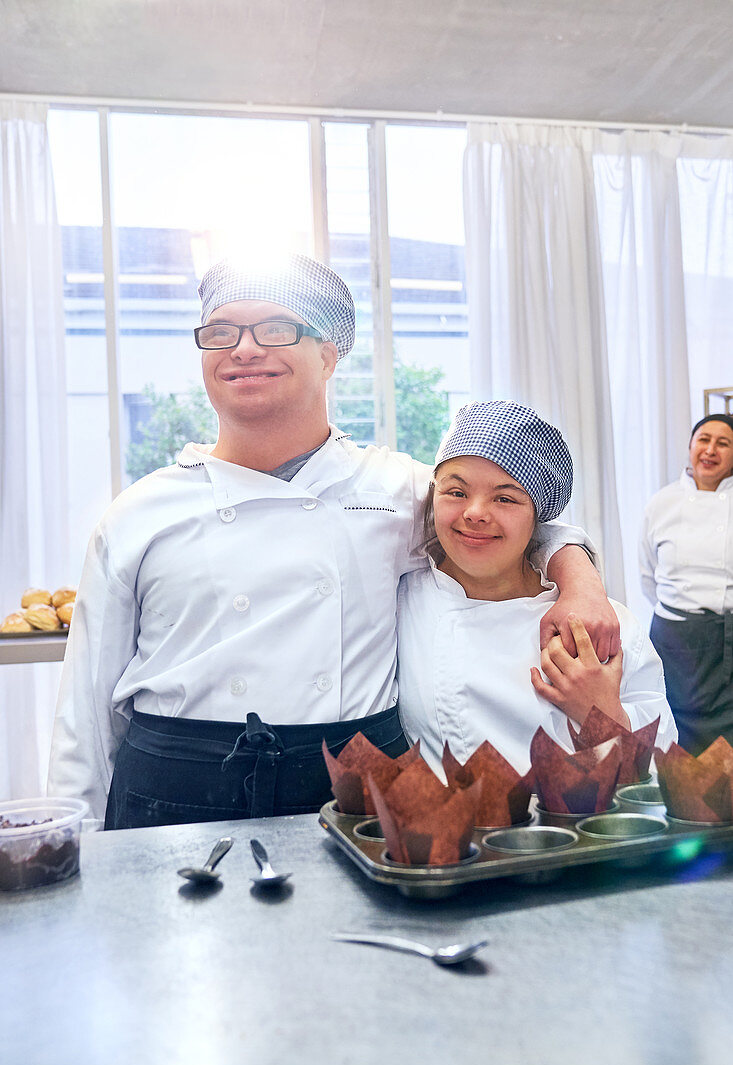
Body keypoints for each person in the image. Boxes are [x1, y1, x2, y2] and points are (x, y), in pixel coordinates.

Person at [48, 254, 619, 827]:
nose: (243, 349)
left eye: (275, 327)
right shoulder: (141, 511)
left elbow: (510, 517)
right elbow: (86, 713)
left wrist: (580, 583)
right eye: (220, 332)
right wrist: (74, 847)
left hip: (356, 781)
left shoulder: (394, 487)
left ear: (328, 354)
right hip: (175, 785)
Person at [397, 401, 676, 778]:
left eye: (505, 498)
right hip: (448, 831)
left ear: (538, 517)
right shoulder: (403, 601)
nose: (475, 512)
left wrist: (599, 713)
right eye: (456, 492)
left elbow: (660, 779)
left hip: (575, 834)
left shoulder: (601, 624)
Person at [640, 413, 733, 755]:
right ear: (691, 446)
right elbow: (648, 576)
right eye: (703, 440)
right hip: (674, 637)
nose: (711, 450)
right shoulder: (661, 504)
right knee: (670, 728)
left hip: (729, 634)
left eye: (723, 443)